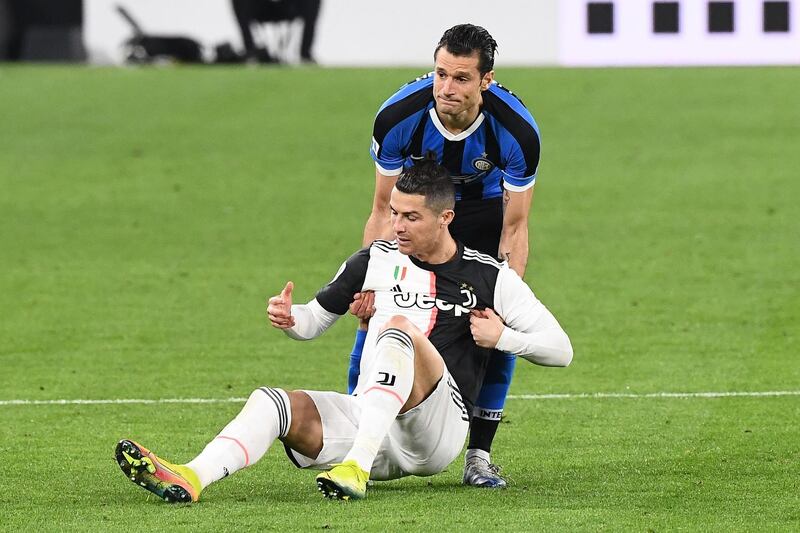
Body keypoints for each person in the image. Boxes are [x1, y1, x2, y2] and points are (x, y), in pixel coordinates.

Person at [114, 162, 572, 503]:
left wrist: (504, 339)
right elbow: (315, 320)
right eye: (394, 212)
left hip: (440, 428)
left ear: (445, 219)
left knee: (395, 329)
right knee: (272, 403)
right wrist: (291, 319)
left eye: (411, 217)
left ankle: (355, 467)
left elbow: (561, 351)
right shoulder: (374, 260)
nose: (396, 226)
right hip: (373, 420)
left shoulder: (490, 276)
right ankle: (192, 478)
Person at [348, 23, 542, 488]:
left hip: (481, 214)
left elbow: (514, 226)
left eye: (460, 78)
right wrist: (370, 282)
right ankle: (358, 442)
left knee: (493, 329)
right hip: (417, 212)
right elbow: (381, 209)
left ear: (486, 81)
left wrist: (503, 296)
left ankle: (478, 456)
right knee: (376, 316)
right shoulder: (397, 118)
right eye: (440, 74)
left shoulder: (516, 132)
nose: (445, 88)